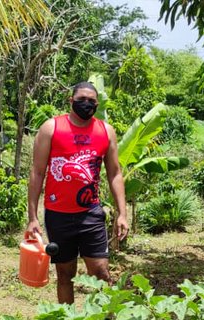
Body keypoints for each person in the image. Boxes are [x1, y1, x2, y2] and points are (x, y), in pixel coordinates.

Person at [26, 82, 129, 304]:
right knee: (65, 274)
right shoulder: (51, 128)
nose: (86, 104)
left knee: (101, 273)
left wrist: (122, 213)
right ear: (70, 101)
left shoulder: (105, 131)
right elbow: (37, 172)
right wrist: (32, 217)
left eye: (92, 101)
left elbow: (114, 173)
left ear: (97, 104)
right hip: (58, 215)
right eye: (81, 99)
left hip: (91, 213)